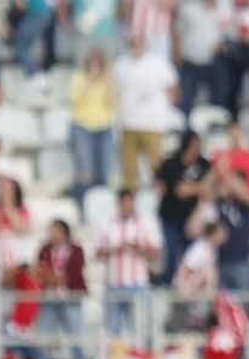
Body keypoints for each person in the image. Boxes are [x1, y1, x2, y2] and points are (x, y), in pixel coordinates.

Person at [113, 32, 178, 191]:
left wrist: (165, 113)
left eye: (139, 42)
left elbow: (172, 89)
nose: (136, 46)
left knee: (156, 165)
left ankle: (161, 197)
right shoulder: (121, 64)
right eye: (133, 43)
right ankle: (130, 199)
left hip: (152, 123)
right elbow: (113, 91)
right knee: (128, 167)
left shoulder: (158, 63)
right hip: (128, 122)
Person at [97, 188, 163, 342]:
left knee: (139, 329)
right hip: (113, 284)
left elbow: (156, 253)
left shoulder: (146, 223)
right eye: (123, 202)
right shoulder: (107, 223)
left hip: (138, 284)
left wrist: (137, 249)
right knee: (112, 331)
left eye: (130, 202)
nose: (127, 206)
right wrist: (114, 249)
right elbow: (98, 253)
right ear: (118, 203)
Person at [36, 219, 90, 359]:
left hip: (71, 300)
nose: (53, 235)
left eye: (56, 231)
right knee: (44, 343)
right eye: (51, 231)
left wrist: (57, 279)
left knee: (76, 342)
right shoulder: (45, 250)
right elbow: (41, 272)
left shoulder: (76, 250)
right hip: (50, 301)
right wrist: (51, 279)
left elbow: (74, 273)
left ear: (64, 233)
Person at [156, 132, 210, 285]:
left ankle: (185, 288)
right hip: (171, 219)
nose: (196, 149)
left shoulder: (204, 164)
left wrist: (195, 188)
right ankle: (168, 285)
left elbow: (209, 190)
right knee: (171, 255)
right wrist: (200, 187)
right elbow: (180, 190)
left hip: (193, 222)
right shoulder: (171, 164)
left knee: (191, 258)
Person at [69, 51, 117, 206]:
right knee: (85, 170)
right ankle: (81, 207)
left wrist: (107, 82)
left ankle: (102, 207)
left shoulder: (107, 81)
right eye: (93, 64)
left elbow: (112, 103)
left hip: (103, 128)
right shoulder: (79, 78)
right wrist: (90, 81)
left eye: (98, 64)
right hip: (83, 127)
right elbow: (75, 100)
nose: (95, 68)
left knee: (104, 170)